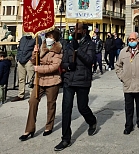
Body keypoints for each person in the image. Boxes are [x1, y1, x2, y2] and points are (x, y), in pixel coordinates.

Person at [54, 23, 97, 151]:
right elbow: (63, 61)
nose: (76, 31)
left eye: (78, 29)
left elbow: (90, 60)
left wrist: (78, 51)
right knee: (66, 108)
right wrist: (67, 66)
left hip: (83, 80)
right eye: (75, 29)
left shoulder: (90, 44)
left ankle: (92, 121)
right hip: (69, 80)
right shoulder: (69, 44)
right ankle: (65, 138)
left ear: (84, 31)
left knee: (82, 106)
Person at [19, 29, 62, 141]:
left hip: (53, 80)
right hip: (39, 80)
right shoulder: (41, 46)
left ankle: (49, 126)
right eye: (47, 36)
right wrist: (34, 53)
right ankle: (29, 129)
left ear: (55, 39)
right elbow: (34, 61)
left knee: (50, 104)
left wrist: (39, 69)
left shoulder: (58, 50)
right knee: (32, 101)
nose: (48, 39)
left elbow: (54, 66)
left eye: (51, 37)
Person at [12, 34, 42, 102]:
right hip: (21, 61)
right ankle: (20, 95)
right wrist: (18, 58)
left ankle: (33, 95)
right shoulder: (23, 38)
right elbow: (19, 48)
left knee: (31, 79)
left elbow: (38, 50)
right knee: (21, 79)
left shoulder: (37, 38)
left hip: (29, 61)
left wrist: (31, 59)